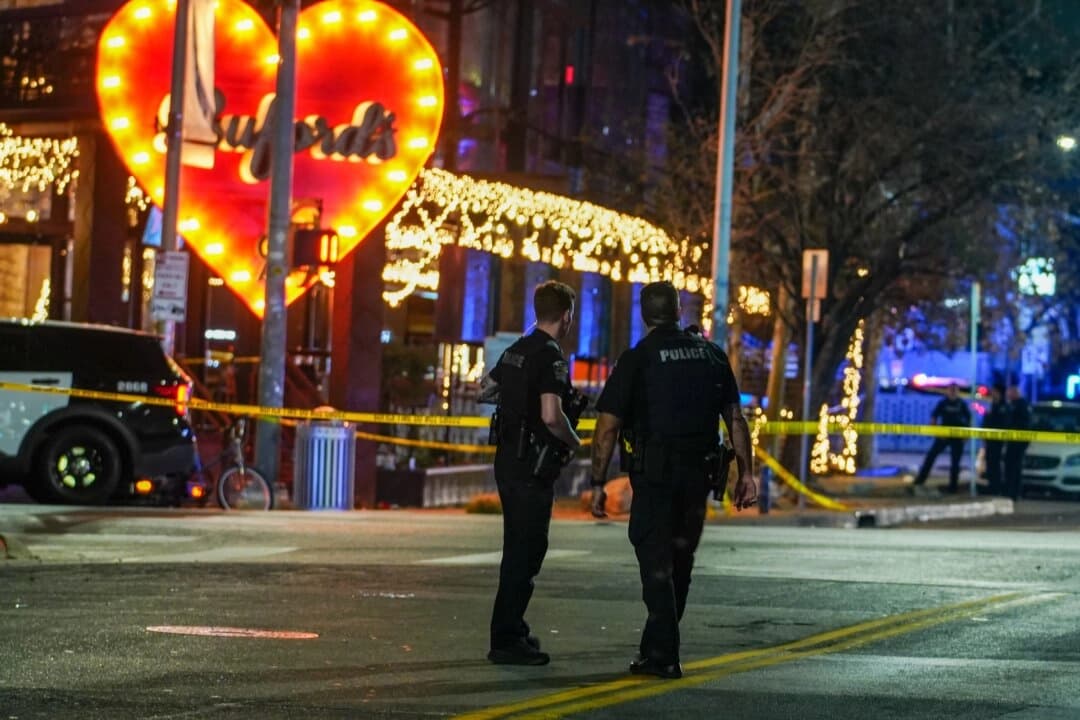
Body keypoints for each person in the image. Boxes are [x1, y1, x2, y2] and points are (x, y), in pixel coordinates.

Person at [589, 281, 756, 680]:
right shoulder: (712, 356)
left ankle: (664, 655)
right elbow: (735, 418)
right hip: (698, 476)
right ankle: (656, 649)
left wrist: (597, 481)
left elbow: (608, 426)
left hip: (656, 477)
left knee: (655, 563)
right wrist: (746, 474)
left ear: (645, 315)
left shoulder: (638, 359)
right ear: (679, 311)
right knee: (680, 562)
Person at [483, 280, 581, 666]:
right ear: (567, 316)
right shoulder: (550, 356)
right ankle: (506, 639)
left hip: (507, 460)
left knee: (517, 550)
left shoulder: (517, 350)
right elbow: (551, 416)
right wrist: (574, 442)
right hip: (532, 466)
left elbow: (484, 390)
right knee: (526, 552)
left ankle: (512, 629)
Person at [912, 383, 971, 494]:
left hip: (957, 436)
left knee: (955, 462)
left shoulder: (961, 404)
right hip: (943, 435)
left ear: (957, 392)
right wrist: (936, 433)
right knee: (931, 456)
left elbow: (969, 420)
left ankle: (953, 487)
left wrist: (966, 435)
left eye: (955, 390)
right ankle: (920, 481)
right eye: (951, 390)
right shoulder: (943, 403)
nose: (953, 392)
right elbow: (934, 418)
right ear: (947, 391)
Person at [1002, 383, 1030, 501]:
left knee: (1015, 468)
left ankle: (1013, 493)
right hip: (1012, 441)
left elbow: (1023, 424)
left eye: (1010, 392)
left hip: (1018, 442)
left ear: (1015, 392)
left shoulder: (1021, 405)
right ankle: (1009, 491)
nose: (1008, 394)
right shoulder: (1012, 404)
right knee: (1010, 466)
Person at [982, 384, 1008, 495]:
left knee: (996, 464)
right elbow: (987, 420)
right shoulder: (992, 405)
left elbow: (1004, 424)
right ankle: (991, 486)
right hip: (989, 440)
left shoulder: (1004, 407)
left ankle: (997, 488)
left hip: (999, 441)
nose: (992, 393)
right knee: (989, 463)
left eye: (995, 391)